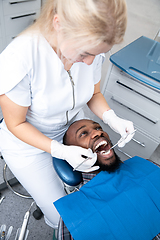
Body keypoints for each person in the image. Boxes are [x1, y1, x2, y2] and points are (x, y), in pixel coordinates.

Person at [0, 0, 135, 229]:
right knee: (66, 216)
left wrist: (112, 118)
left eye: (97, 54)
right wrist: (60, 150)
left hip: (72, 126)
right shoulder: (20, 58)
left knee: (105, 191)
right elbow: (16, 123)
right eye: (85, 53)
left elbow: (93, 93)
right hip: (27, 142)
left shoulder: (90, 45)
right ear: (58, 24)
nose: (90, 62)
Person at [56, 119, 160, 240]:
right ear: (73, 155)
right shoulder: (74, 216)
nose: (98, 133)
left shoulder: (147, 166)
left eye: (98, 128)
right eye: (83, 133)